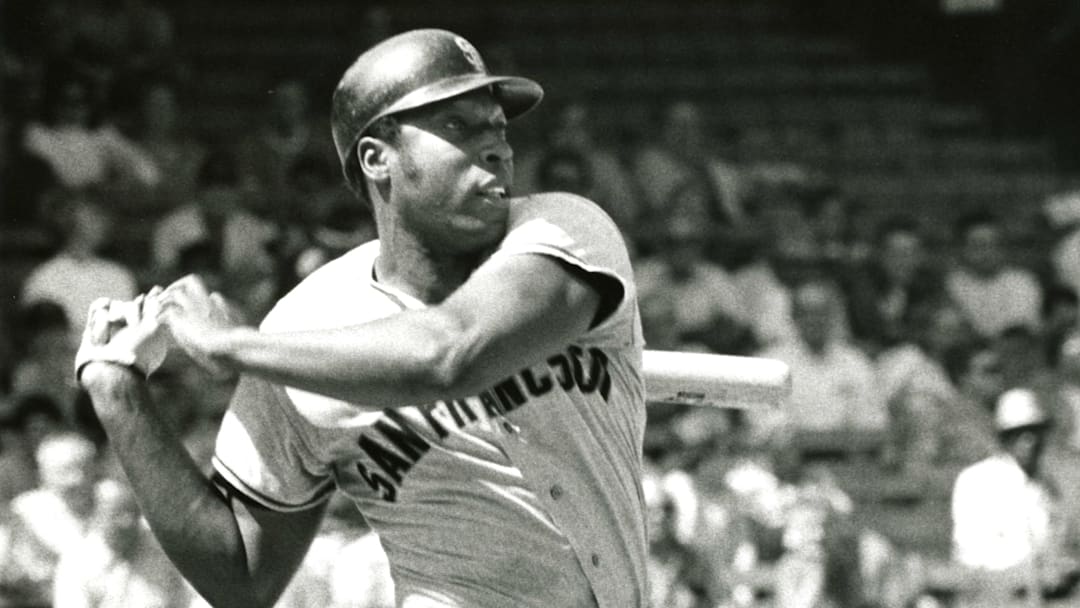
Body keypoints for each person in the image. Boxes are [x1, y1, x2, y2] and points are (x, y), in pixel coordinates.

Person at [77, 28, 648, 608]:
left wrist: (231, 345)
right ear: (378, 158)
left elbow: (450, 353)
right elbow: (241, 573)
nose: (497, 147)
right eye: (459, 127)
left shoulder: (563, 230)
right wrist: (117, 394)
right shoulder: (303, 331)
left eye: (498, 128)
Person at [950, 388, 1080, 606]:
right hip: (994, 593)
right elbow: (970, 552)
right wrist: (1033, 568)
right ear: (1004, 437)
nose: (1029, 440)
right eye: (1018, 432)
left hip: (1047, 594)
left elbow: (1059, 544)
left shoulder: (1050, 485)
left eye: (1035, 430)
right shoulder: (977, 480)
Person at [52, 477, 195, 608]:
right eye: (116, 515)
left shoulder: (162, 548)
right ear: (97, 516)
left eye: (133, 513)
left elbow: (193, 596)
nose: (127, 522)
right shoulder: (75, 564)